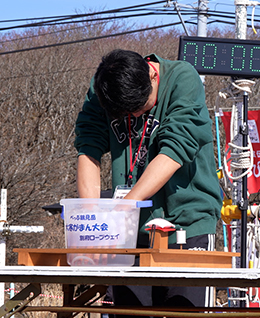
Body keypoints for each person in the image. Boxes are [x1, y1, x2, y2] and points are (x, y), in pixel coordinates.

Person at [74, 49, 222, 316]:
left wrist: (122, 208)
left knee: (184, 310)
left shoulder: (182, 78)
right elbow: (88, 147)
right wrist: (90, 216)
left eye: (139, 109)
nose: (132, 117)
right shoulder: (103, 86)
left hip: (186, 222)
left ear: (152, 75)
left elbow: (174, 151)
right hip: (129, 232)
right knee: (129, 311)